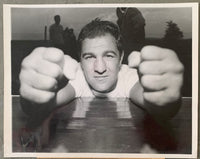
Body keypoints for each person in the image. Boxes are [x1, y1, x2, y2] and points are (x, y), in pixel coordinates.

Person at [19, 19, 184, 119]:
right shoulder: (79, 77)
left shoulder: (127, 75)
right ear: (80, 62)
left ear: (121, 58)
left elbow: (157, 104)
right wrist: (32, 95)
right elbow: (40, 105)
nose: (100, 68)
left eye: (109, 56)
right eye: (89, 57)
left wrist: (167, 99)